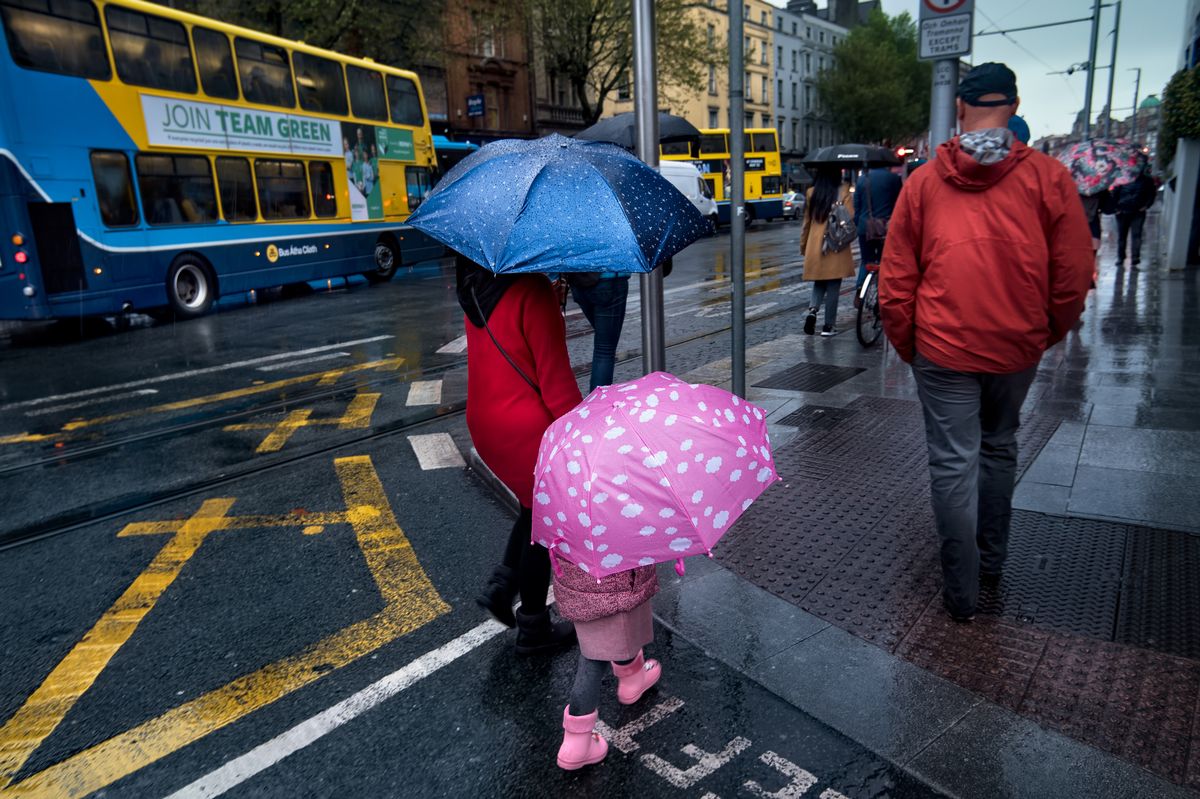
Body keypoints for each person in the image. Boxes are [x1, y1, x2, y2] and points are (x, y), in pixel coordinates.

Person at [878, 62, 1093, 623]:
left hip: (943, 347)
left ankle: (961, 591)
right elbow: (1073, 273)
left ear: (961, 109)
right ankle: (991, 562)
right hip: (1015, 345)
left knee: (953, 463)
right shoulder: (1048, 178)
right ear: (1015, 105)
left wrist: (911, 344)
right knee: (999, 448)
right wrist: (1045, 333)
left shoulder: (925, 181)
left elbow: (897, 280)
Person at [457, 254, 579, 653]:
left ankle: (502, 584)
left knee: (533, 508)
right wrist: (586, 439)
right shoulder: (532, 291)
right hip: (527, 428)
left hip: (485, 424)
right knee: (543, 526)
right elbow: (557, 388)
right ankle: (533, 629)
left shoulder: (478, 286)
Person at [552, 562, 660, 770]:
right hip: (620, 581)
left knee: (619, 635)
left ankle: (633, 677)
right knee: (596, 656)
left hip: (578, 584)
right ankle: (577, 744)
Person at [800, 166, 855, 336]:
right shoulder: (843, 190)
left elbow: (806, 223)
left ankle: (812, 311)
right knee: (833, 285)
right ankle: (828, 326)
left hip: (815, 244)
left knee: (819, 281)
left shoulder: (811, 192)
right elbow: (850, 216)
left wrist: (804, 246)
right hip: (835, 243)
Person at [568, 272, 629, 391]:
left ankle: (595, 403)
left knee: (603, 347)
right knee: (604, 351)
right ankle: (597, 405)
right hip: (609, 278)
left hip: (578, 280)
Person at [853, 164, 903, 301]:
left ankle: (860, 287)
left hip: (865, 227)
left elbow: (856, 207)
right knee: (885, 261)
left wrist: (859, 224)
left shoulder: (862, 179)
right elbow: (899, 204)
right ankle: (882, 296)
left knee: (866, 260)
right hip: (886, 228)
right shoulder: (893, 179)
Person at [1112, 168, 1156, 269]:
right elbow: (1114, 194)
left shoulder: (1146, 180)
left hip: (1136, 211)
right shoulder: (1121, 179)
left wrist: (1146, 205)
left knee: (1135, 235)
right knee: (1123, 236)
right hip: (1123, 210)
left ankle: (1134, 257)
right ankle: (1121, 257)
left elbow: (1151, 194)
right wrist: (1116, 208)